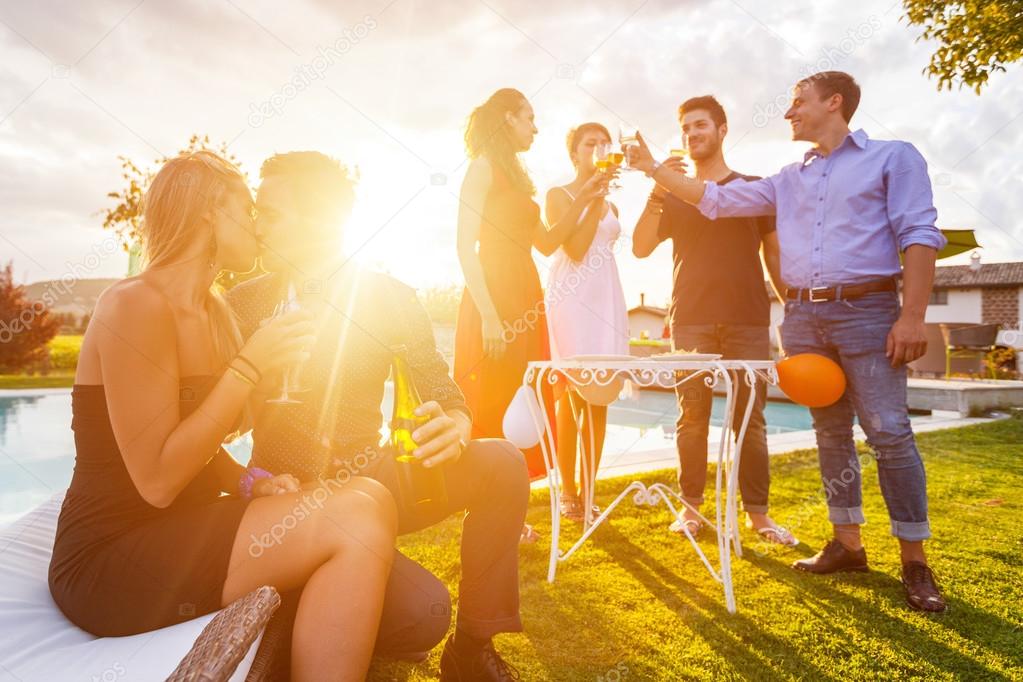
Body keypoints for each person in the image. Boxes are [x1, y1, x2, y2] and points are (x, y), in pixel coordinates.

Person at [48, 151, 397, 682]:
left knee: (370, 496)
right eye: (247, 207)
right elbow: (159, 480)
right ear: (211, 210)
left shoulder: (214, 314)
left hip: (177, 533)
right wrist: (251, 364)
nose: (258, 224)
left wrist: (251, 483)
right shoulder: (135, 306)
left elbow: (200, 443)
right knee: (356, 516)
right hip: (110, 560)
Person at [628, 71, 948, 612]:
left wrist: (912, 315)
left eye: (799, 102)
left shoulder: (892, 158)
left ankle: (914, 561)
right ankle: (847, 545)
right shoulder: (786, 179)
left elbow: (919, 234)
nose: (789, 112)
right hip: (804, 317)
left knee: (889, 432)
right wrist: (653, 170)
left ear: (835, 102)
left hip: (868, 311)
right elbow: (715, 200)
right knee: (829, 433)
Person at [227, 151, 530, 681]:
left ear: (320, 220)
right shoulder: (241, 302)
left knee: (503, 461)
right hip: (284, 498)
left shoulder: (388, 296)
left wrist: (455, 425)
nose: (256, 224)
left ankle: (472, 649)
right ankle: (310, 596)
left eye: (269, 212)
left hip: (373, 480)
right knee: (420, 616)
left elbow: (442, 387)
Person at [632, 96, 796, 546]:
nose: (692, 134)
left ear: (722, 130)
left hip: (747, 319)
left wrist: (792, 309)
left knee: (751, 419)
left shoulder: (752, 189)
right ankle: (690, 510)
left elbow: (774, 255)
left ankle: (758, 516)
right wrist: (657, 189)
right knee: (692, 418)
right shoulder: (673, 194)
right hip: (691, 321)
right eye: (685, 128)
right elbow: (641, 247)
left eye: (700, 125)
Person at [453, 88, 611, 495]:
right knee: (493, 392)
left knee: (522, 393)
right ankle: (482, 494)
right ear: (507, 118)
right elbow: (463, 246)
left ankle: (510, 495)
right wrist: (488, 314)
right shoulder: (482, 167)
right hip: (493, 293)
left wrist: (586, 199)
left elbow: (546, 242)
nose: (535, 128)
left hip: (526, 290)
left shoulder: (520, 178)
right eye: (528, 118)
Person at [544, 122, 629, 523]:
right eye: (590, 144)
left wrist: (602, 198)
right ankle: (569, 493)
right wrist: (593, 197)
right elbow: (576, 249)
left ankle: (591, 488)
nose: (598, 149)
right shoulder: (558, 196)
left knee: (601, 395)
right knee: (572, 393)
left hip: (605, 295)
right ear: (575, 153)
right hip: (571, 298)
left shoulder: (614, 203)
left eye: (604, 143)